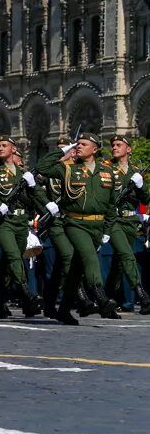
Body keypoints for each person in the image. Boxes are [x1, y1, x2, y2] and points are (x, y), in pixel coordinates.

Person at [36, 132, 118, 319]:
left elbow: (112, 205)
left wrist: (107, 229)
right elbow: (42, 166)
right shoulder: (68, 169)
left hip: (97, 225)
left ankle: (64, 309)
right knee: (89, 257)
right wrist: (64, 150)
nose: (78, 146)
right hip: (75, 223)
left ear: (95, 149)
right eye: (77, 144)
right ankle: (101, 296)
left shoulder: (107, 172)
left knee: (75, 269)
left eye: (83, 144)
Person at [0, 135, 43, 317]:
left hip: (20, 222)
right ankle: (27, 293)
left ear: (13, 149)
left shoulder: (23, 174)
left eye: (4, 145)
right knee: (12, 255)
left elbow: (34, 198)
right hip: (4, 222)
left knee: (10, 263)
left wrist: (33, 187)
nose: (0, 148)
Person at [104, 135, 150, 314]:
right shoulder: (106, 169)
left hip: (130, 221)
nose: (114, 147)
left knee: (120, 262)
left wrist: (140, 186)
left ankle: (106, 298)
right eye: (113, 145)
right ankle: (142, 295)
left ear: (128, 149)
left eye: (119, 145)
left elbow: (145, 199)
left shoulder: (136, 171)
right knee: (126, 255)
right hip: (114, 220)